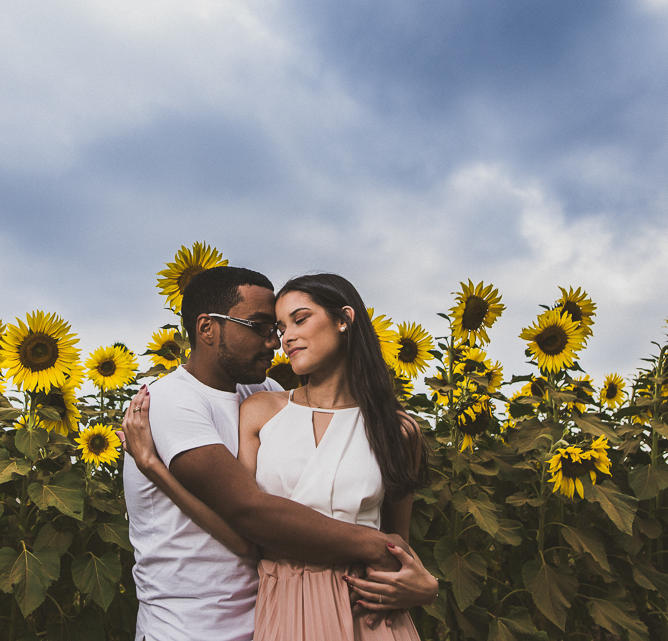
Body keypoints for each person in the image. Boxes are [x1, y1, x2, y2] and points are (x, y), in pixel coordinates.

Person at [123, 267, 436, 641]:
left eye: (283, 327)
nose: (277, 341)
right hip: (192, 628)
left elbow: (398, 541)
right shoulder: (175, 402)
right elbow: (249, 516)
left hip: (298, 619)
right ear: (207, 328)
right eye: (263, 327)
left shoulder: (262, 392)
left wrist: (424, 585)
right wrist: (150, 465)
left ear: (344, 321)